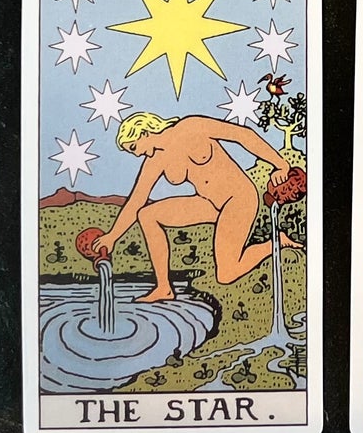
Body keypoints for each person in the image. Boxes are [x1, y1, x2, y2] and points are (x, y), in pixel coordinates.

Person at [83, 112, 300, 300]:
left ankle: (276, 242)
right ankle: (164, 287)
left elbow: (243, 135)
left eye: (133, 147)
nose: (136, 153)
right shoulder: (155, 161)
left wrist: (281, 164)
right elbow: (136, 200)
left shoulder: (191, 127)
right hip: (209, 203)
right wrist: (112, 236)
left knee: (226, 274)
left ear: (144, 132)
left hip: (238, 199)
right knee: (147, 214)